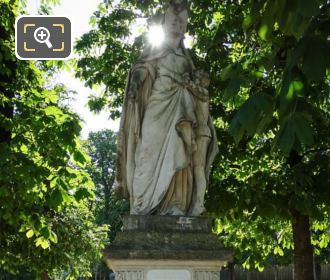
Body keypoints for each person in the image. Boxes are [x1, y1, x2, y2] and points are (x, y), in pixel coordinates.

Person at [114, 0, 218, 216]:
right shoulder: (155, 50)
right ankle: (142, 205)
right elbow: (143, 69)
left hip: (181, 107)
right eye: (173, 20)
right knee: (146, 151)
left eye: (182, 21)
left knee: (180, 151)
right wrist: (134, 84)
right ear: (164, 23)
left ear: (185, 26)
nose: (177, 24)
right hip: (158, 105)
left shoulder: (185, 59)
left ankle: (175, 205)